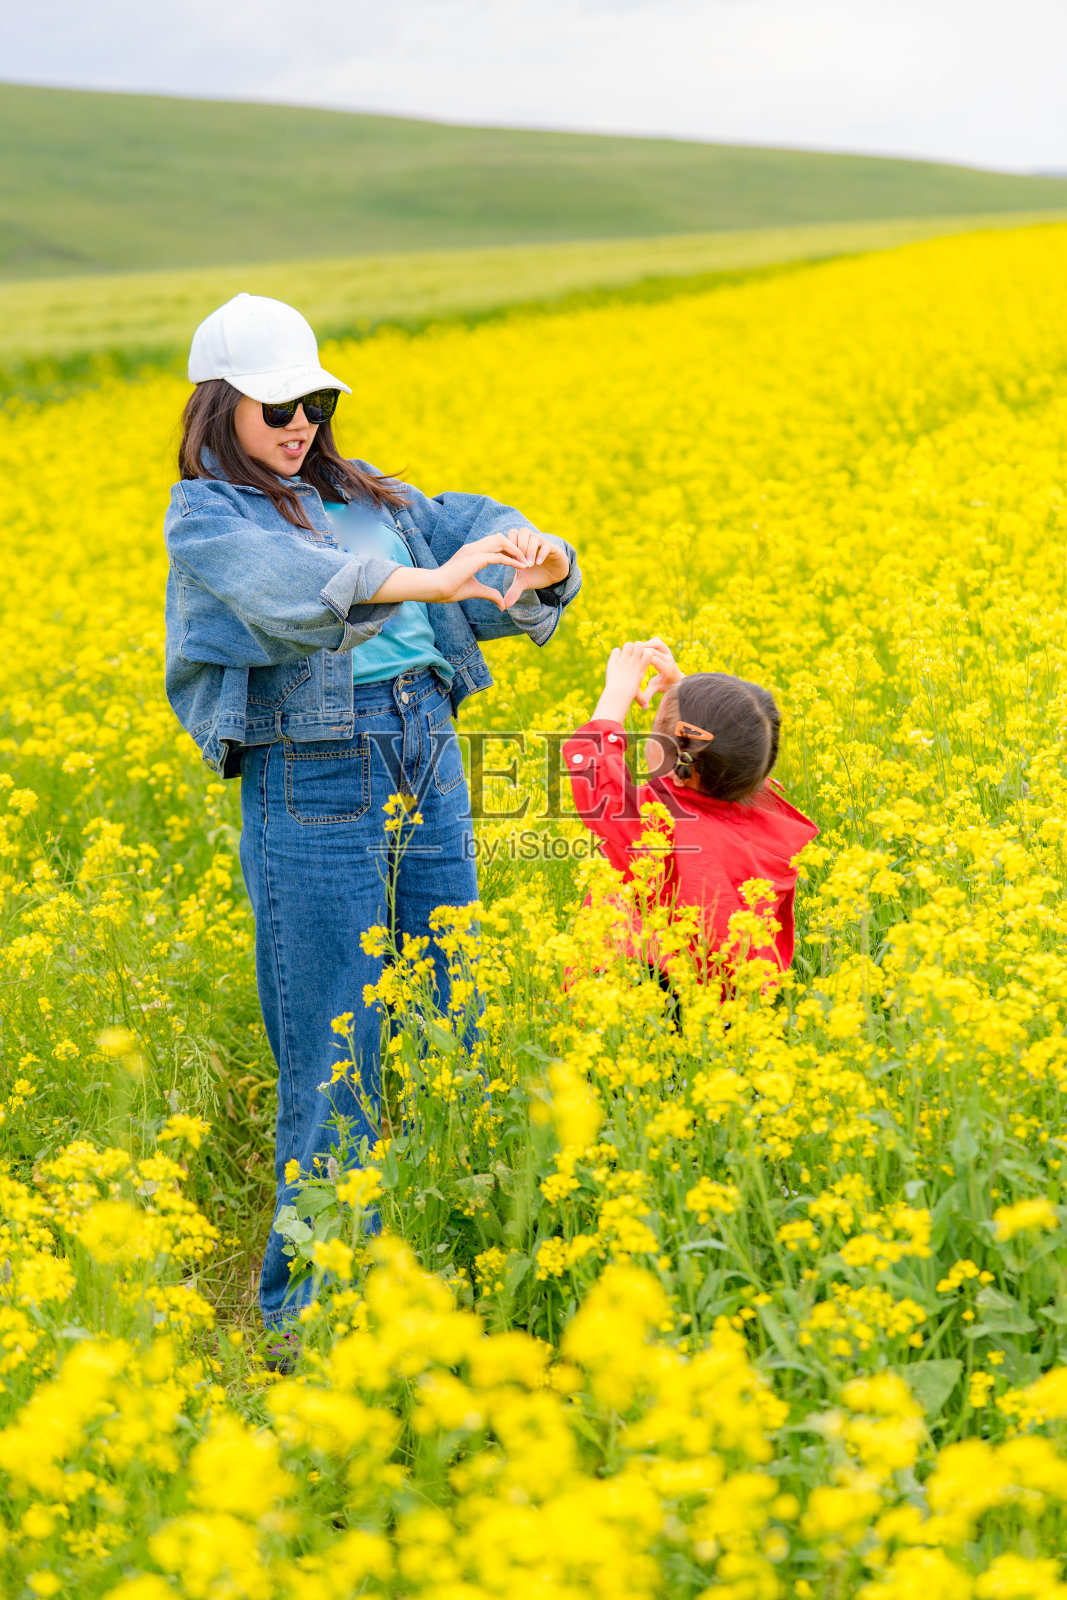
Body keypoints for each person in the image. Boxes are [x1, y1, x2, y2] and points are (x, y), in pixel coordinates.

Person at [163, 293, 581, 1330]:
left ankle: (447, 1261)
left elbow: (469, 524)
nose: (299, 424)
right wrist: (431, 583)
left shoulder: (365, 490)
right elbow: (295, 586)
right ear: (219, 407)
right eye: (277, 408)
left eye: (314, 404)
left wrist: (541, 555)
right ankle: (306, 1318)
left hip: (424, 739)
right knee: (333, 1036)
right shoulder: (209, 515)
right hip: (316, 765)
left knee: (450, 1007)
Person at [562, 638, 816, 987]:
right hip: (727, 1000)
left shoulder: (657, 824)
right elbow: (730, 745)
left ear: (675, 754)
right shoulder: (758, 809)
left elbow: (599, 777)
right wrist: (683, 688)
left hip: (646, 992)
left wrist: (616, 694)